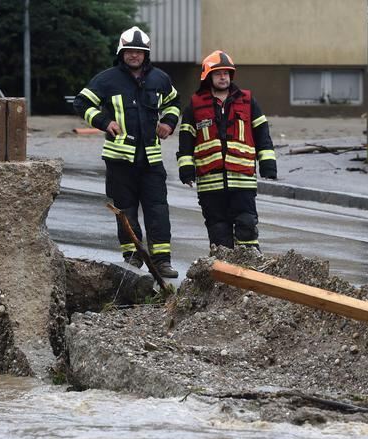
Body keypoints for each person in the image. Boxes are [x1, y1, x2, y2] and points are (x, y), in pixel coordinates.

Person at [73, 26, 181, 278]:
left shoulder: (159, 79)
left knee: (158, 210)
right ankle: (132, 258)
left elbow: (173, 103)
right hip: (119, 159)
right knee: (125, 210)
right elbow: (82, 102)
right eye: (129, 52)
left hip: (151, 159)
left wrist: (168, 123)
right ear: (121, 53)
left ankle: (162, 261)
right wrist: (103, 121)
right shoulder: (107, 79)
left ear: (146, 54)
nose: (134, 56)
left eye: (139, 52)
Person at [176, 50, 277, 253]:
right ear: (208, 77)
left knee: (247, 226)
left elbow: (262, 133)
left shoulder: (248, 101)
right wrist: (186, 170)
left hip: (242, 179)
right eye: (217, 73)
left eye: (226, 73)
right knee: (218, 232)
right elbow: (186, 140)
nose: (223, 77)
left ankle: (251, 271)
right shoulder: (195, 105)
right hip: (210, 183)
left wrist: (268, 163)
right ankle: (224, 278)